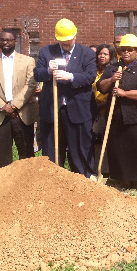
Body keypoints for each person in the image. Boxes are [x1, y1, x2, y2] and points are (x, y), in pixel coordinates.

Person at [34, 19, 97, 176]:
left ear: (75, 35)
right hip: (52, 109)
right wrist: (48, 71)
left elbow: (90, 76)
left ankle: (83, 179)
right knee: (52, 150)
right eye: (62, 40)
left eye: (68, 39)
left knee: (80, 149)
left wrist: (71, 76)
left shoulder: (87, 53)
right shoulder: (46, 52)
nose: (65, 43)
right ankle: (54, 179)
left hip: (77, 110)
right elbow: (37, 74)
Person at [98, 34, 137, 192]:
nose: (126, 53)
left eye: (130, 50)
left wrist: (125, 94)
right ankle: (127, 179)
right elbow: (100, 87)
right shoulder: (113, 69)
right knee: (121, 149)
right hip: (118, 117)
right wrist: (111, 80)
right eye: (123, 50)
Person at [0, 30, 39, 168]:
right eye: (2, 40)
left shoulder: (28, 61)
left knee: (26, 152)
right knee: (3, 153)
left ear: (15, 41)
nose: (5, 42)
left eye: (8, 40)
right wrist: (3, 107)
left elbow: (30, 84)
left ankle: (27, 180)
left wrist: (14, 105)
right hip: (0, 114)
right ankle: (3, 185)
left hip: (22, 113)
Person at [92, 44, 117, 174]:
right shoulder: (94, 70)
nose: (102, 56)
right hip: (93, 111)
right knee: (95, 140)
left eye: (105, 54)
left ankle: (107, 170)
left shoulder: (113, 70)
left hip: (106, 110)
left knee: (106, 141)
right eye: (100, 53)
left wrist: (100, 106)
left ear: (111, 56)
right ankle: (97, 168)